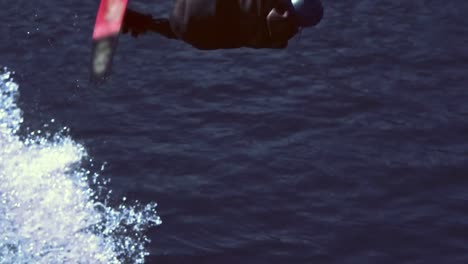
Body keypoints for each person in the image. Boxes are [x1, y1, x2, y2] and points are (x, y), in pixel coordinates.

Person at [121, 0, 324, 50]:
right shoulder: (275, 42)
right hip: (193, 34)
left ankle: (139, 22)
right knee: (195, 29)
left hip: (193, 4)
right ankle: (137, 22)